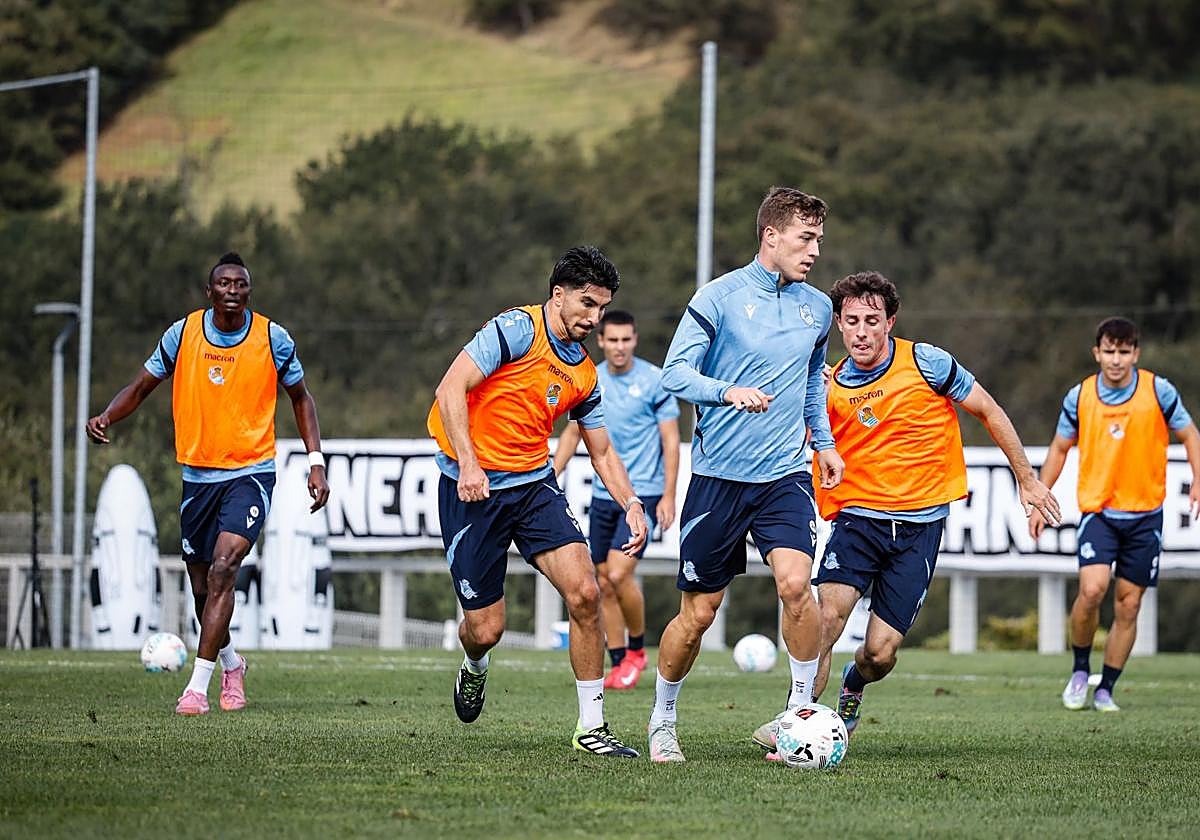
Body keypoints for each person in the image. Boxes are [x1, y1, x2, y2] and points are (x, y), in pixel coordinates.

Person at [810, 270, 1061, 737]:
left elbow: (989, 410)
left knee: (880, 654)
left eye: (872, 319)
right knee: (825, 621)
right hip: (857, 520)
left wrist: (1027, 480)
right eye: (851, 321)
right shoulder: (826, 385)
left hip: (919, 530)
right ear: (838, 326)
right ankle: (796, 725)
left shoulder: (927, 363)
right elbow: (808, 444)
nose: (861, 331)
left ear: (890, 322)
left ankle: (853, 682)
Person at [645, 187, 845, 764]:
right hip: (718, 480)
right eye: (805, 239)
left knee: (795, 586)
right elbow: (674, 376)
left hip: (785, 477)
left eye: (819, 241)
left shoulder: (817, 308)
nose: (813, 252)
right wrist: (725, 392)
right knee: (698, 615)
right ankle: (663, 717)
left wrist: (824, 444)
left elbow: (813, 382)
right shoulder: (719, 298)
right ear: (771, 236)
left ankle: (799, 714)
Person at [427, 245, 648, 758]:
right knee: (486, 629)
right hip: (472, 489)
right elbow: (449, 388)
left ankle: (591, 728)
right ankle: (475, 665)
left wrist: (631, 501)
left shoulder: (585, 374)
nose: (594, 319)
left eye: (602, 308)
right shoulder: (515, 331)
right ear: (558, 295)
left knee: (586, 593)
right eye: (587, 305)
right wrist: (468, 462)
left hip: (532, 486)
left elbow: (601, 448)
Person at [87, 252, 329, 715]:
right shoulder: (183, 335)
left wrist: (315, 461)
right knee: (203, 588)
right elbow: (141, 387)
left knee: (224, 568)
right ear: (210, 291)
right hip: (198, 477)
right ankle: (232, 663)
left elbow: (302, 398)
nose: (233, 290)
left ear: (249, 292)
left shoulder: (272, 339)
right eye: (225, 283)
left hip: (251, 472)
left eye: (241, 284)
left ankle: (197, 689)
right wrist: (107, 415)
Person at [1029, 317, 1200, 712]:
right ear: (1097, 353)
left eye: (1124, 352)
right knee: (1091, 590)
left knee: (1129, 604)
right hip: (1099, 512)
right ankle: (1078, 670)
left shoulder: (1159, 391)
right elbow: (1058, 448)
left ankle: (1105, 687)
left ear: (1136, 354)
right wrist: (1040, 495)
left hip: (1145, 515)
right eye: (1110, 351)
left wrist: (1197, 478)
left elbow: (1190, 434)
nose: (1117, 359)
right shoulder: (1080, 396)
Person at [553, 310, 680, 691]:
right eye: (613, 340)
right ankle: (621, 659)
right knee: (603, 583)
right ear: (602, 341)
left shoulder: (654, 380)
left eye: (626, 340)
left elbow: (670, 441)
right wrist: (549, 475)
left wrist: (669, 495)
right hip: (602, 495)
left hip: (642, 494)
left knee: (618, 573)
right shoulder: (588, 378)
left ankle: (638, 651)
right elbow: (573, 435)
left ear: (635, 340)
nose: (620, 347)